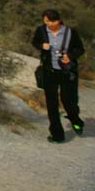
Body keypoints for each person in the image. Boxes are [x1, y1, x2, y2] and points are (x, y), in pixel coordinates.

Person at [31, 8, 85, 143]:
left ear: (59, 20)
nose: (49, 24)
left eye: (52, 21)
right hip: (49, 72)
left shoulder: (70, 32)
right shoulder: (41, 31)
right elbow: (35, 42)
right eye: (46, 21)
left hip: (67, 72)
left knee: (69, 101)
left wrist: (70, 56)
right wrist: (42, 46)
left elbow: (80, 49)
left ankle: (76, 120)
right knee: (52, 104)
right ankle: (57, 135)